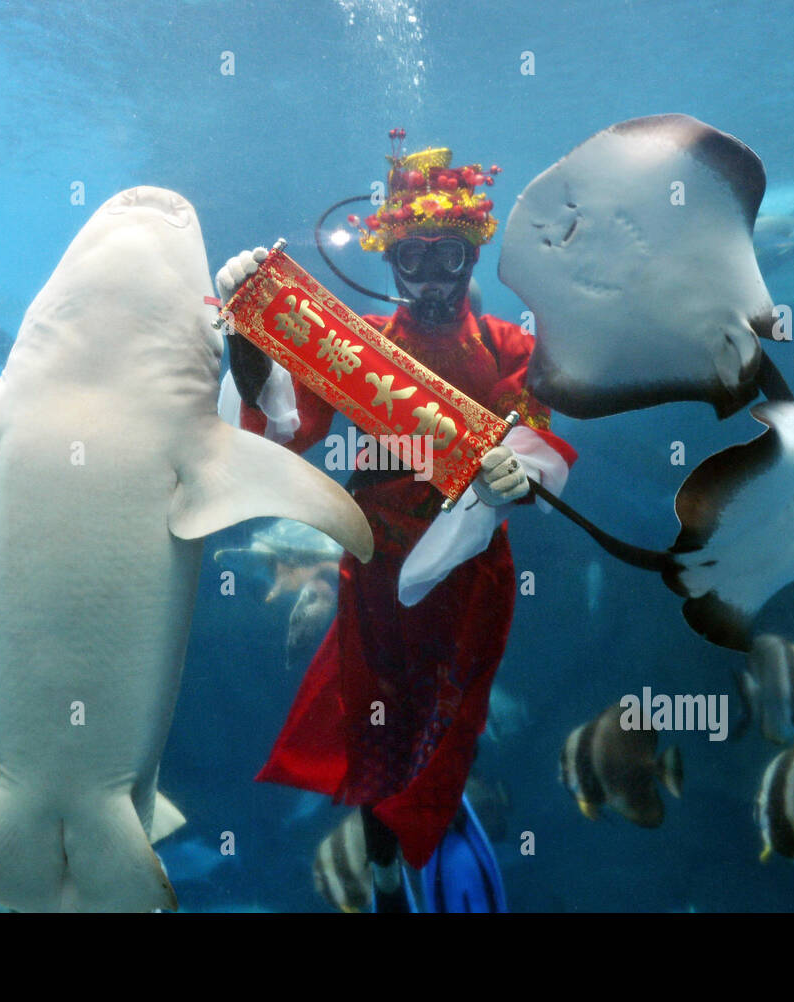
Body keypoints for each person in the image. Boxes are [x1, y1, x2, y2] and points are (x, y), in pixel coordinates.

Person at [216, 135, 576, 912]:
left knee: (451, 724)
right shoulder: (363, 351)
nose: (434, 277)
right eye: (415, 258)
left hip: (472, 576)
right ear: (389, 261)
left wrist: (527, 471)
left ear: (475, 253)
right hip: (376, 571)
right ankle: (384, 878)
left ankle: (431, 824)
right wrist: (248, 347)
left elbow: (543, 440)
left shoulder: (515, 348)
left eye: (449, 256)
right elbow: (283, 427)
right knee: (371, 732)